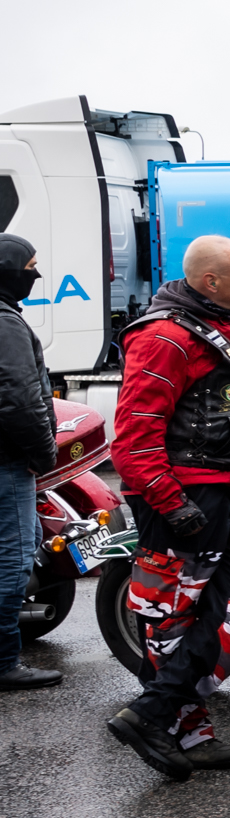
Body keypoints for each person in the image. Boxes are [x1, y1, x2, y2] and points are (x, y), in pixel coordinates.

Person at [103, 237, 230, 777]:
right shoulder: (164, 338)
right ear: (211, 282)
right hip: (181, 496)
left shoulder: (221, 322)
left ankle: (158, 718)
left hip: (217, 486)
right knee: (172, 619)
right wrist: (173, 504)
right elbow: (133, 440)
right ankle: (177, 729)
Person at [0, 237, 58, 696]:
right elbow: (20, 399)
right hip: (6, 461)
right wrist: (43, 453)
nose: (35, 275)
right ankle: (3, 662)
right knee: (12, 559)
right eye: (30, 266)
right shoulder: (5, 322)